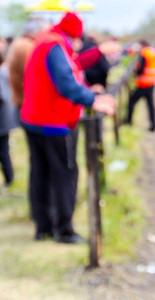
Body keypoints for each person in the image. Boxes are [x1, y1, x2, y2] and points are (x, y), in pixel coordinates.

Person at [21, 12, 116, 243]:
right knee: (65, 173)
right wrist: (93, 100)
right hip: (54, 122)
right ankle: (64, 230)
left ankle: (42, 226)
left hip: (34, 118)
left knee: (40, 172)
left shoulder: (47, 40)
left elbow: (70, 67)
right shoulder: (55, 45)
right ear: (74, 35)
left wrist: (87, 89)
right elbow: (65, 83)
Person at [6, 17, 50, 109]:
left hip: (23, 101)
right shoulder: (26, 47)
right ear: (38, 31)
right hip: (27, 103)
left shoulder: (21, 44)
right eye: (45, 31)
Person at [126, 40, 155, 131]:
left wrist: (135, 71)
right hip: (152, 82)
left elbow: (140, 69)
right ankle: (153, 125)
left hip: (143, 83)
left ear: (142, 45)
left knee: (131, 102)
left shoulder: (144, 53)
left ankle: (128, 122)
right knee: (150, 105)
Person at [0, 53, 18, 188]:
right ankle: (9, 176)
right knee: (4, 148)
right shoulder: (6, 71)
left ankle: (9, 177)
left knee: (3, 150)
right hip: (6, 116)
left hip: (2, 118)